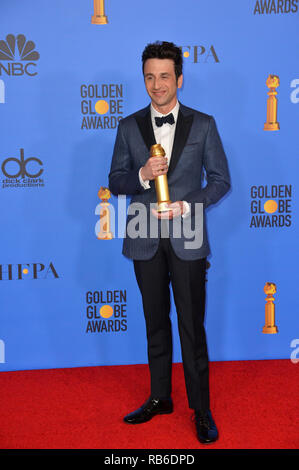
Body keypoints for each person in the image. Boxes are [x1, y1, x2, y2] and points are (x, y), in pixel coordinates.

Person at [109, 41, 230, 444]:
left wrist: (186, 205)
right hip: (144, 237)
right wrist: (142, 174)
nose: (156, 84)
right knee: (155, 325)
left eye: (164, 76)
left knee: (192, 328)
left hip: (188, 236)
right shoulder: (128, 127)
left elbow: (220, 181)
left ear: (179, 78)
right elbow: (116, 180)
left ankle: (201, 408)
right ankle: (160, 397)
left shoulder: (205, 124)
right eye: (149, 76)